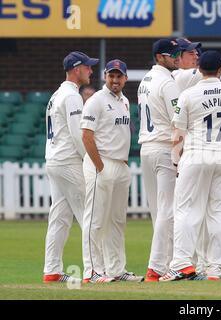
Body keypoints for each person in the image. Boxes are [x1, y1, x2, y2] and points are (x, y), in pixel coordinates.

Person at [159, 51, 221, 281]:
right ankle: (215, 268)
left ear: (200, 69)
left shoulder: (188, 94)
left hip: (196, 157)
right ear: (219, 70)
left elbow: (178, 133)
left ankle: (182, 264)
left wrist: (175, 162)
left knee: (186, 211)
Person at [81, 59, 143, 283]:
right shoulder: (96, 101)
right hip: (102, 164)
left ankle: (116, 269)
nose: (115, 80)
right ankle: (92, 271)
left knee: (117, 221)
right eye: (111, 76)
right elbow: (86, 135)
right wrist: (100, 165)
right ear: (105, 76)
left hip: (120, 165)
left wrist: (122, 163)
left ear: (125, 78)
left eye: (119, 76)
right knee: (95, 220)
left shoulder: (125, 100)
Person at [43, 51, 98, 283]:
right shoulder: (72, 96)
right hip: (68, 161)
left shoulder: (57, 94)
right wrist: (91, 162)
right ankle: (93, 271)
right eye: (87, 67)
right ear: (77, 69)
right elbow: (79, 136)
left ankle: (52, 270)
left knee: (59, 218)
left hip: (54, 160)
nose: (91, 71)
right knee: (90, 216)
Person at [138, 39, 182, 282]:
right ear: (159, 57)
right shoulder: (167, 82)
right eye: (172, 53)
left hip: (147, 148)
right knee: (168, 210)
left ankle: (165, 264)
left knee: (158, 210)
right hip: (164, 147)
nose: (177, 56)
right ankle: (157, 267)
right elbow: (178, 122)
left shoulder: (145, 80)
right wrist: (178, 155)